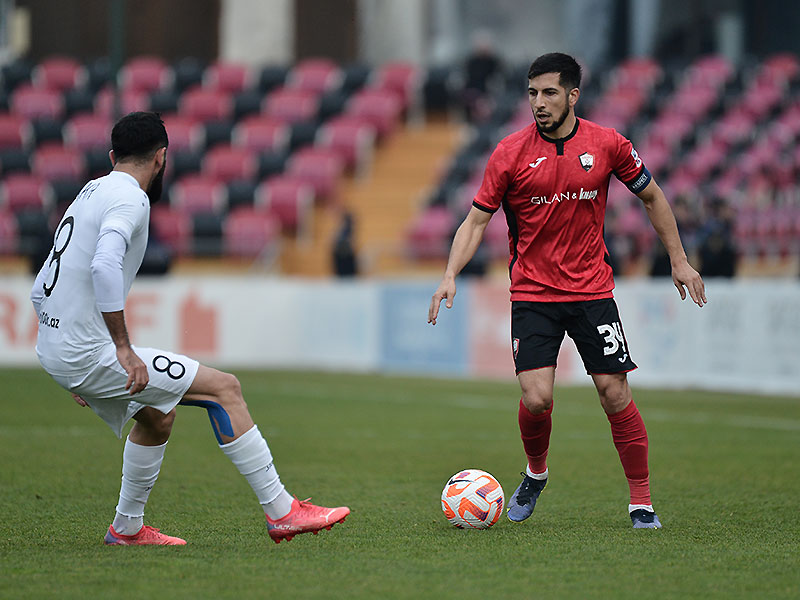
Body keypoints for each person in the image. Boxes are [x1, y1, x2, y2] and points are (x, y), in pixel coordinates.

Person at [30, 112, 349, 546]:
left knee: (158, 416)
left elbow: (43, 283)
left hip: (59, 345)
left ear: (112, 156)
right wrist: (120, 350)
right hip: (84, 351)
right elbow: (104, 264)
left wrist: (64, 354)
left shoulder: (90, 191)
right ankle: (283, 511)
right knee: (225, 388)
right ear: (161, 158)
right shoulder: (130, 199)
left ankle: (126, 530)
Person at [428, 53, 706, 529]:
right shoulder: (509, 152)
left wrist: (679, 259)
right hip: (533, 293)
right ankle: (536, 474)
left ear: (573, 95)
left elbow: (653, 196)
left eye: (550, 93)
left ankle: (641, 502)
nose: (539, 102)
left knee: (614, 392)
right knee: (536, 399)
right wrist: (451, 272)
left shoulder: (608, 144)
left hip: (592, 290)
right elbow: (477, 219)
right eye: (533, 93)